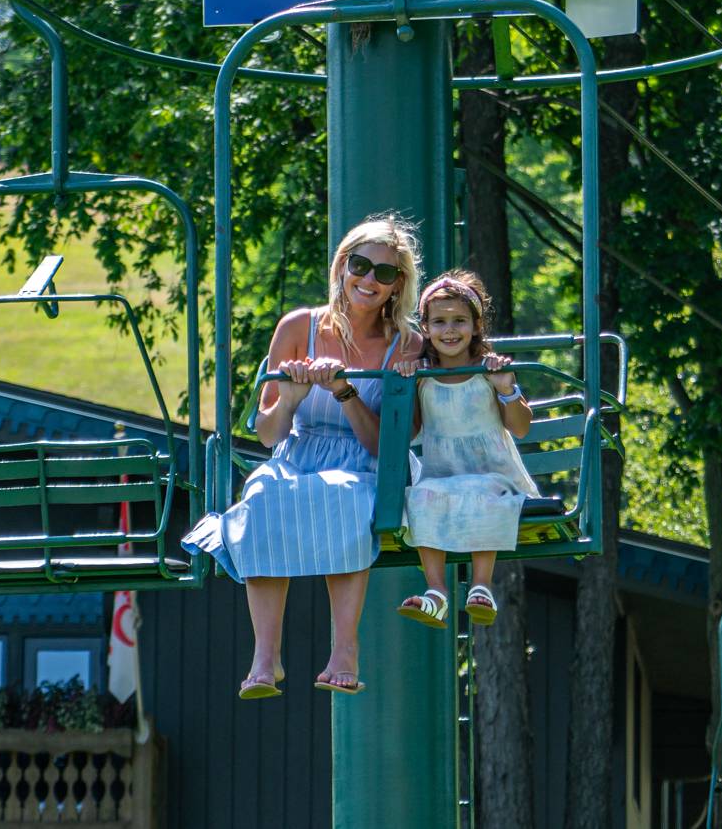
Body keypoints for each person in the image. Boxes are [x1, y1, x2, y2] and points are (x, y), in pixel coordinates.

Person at [182, 215, 423, 699]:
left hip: (368, 462)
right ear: (341, 266)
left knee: (348, 502)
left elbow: (387, 447)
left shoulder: (409, 344)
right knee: (262, 497)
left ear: (399, 285)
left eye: (385, 274)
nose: (369, 281)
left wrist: (344, 391)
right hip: (300, 452)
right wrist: (290, 397)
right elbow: (270, 436)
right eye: (360, 265)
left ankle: (345, 650)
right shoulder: (298, 327)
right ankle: (265, 658)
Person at [395, 270, 535, 629]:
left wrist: (507, 388)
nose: (450, 331)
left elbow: (519, 427)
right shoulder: (423, 375)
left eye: (459, 321)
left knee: (480, 493)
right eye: (439, 322)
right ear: (425, 328)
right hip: (443, 475)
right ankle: (437, 592)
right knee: (420, 496)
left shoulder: (487, 371)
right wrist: (406, 386)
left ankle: (481, 586)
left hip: (493, 475)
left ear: (476, 325)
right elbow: (408, 432)